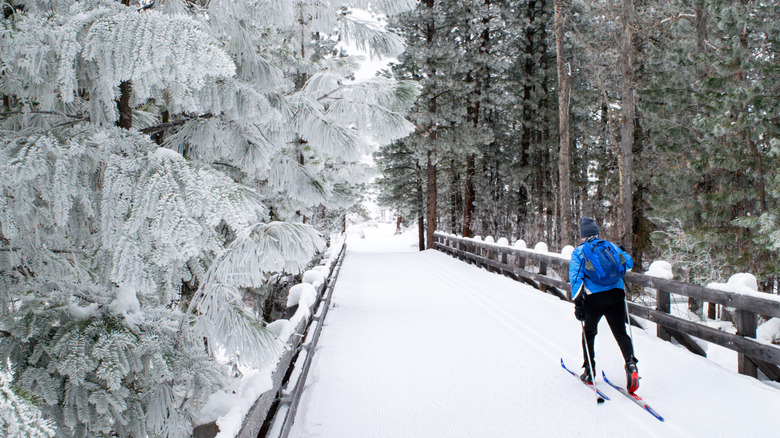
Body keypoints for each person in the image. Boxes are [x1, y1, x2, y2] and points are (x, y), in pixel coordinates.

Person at [569, 217, 639, 392]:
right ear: (597, 232)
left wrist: (578, 304)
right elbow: (628, 262)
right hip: (616, 295)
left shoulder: (579, 252)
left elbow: (576, 278)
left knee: (589, 333)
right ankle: (631, 365)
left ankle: (589, 371)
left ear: (582, 236)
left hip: (594, 298)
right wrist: (621, 251)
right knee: (621, 332)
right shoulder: (610, 246)